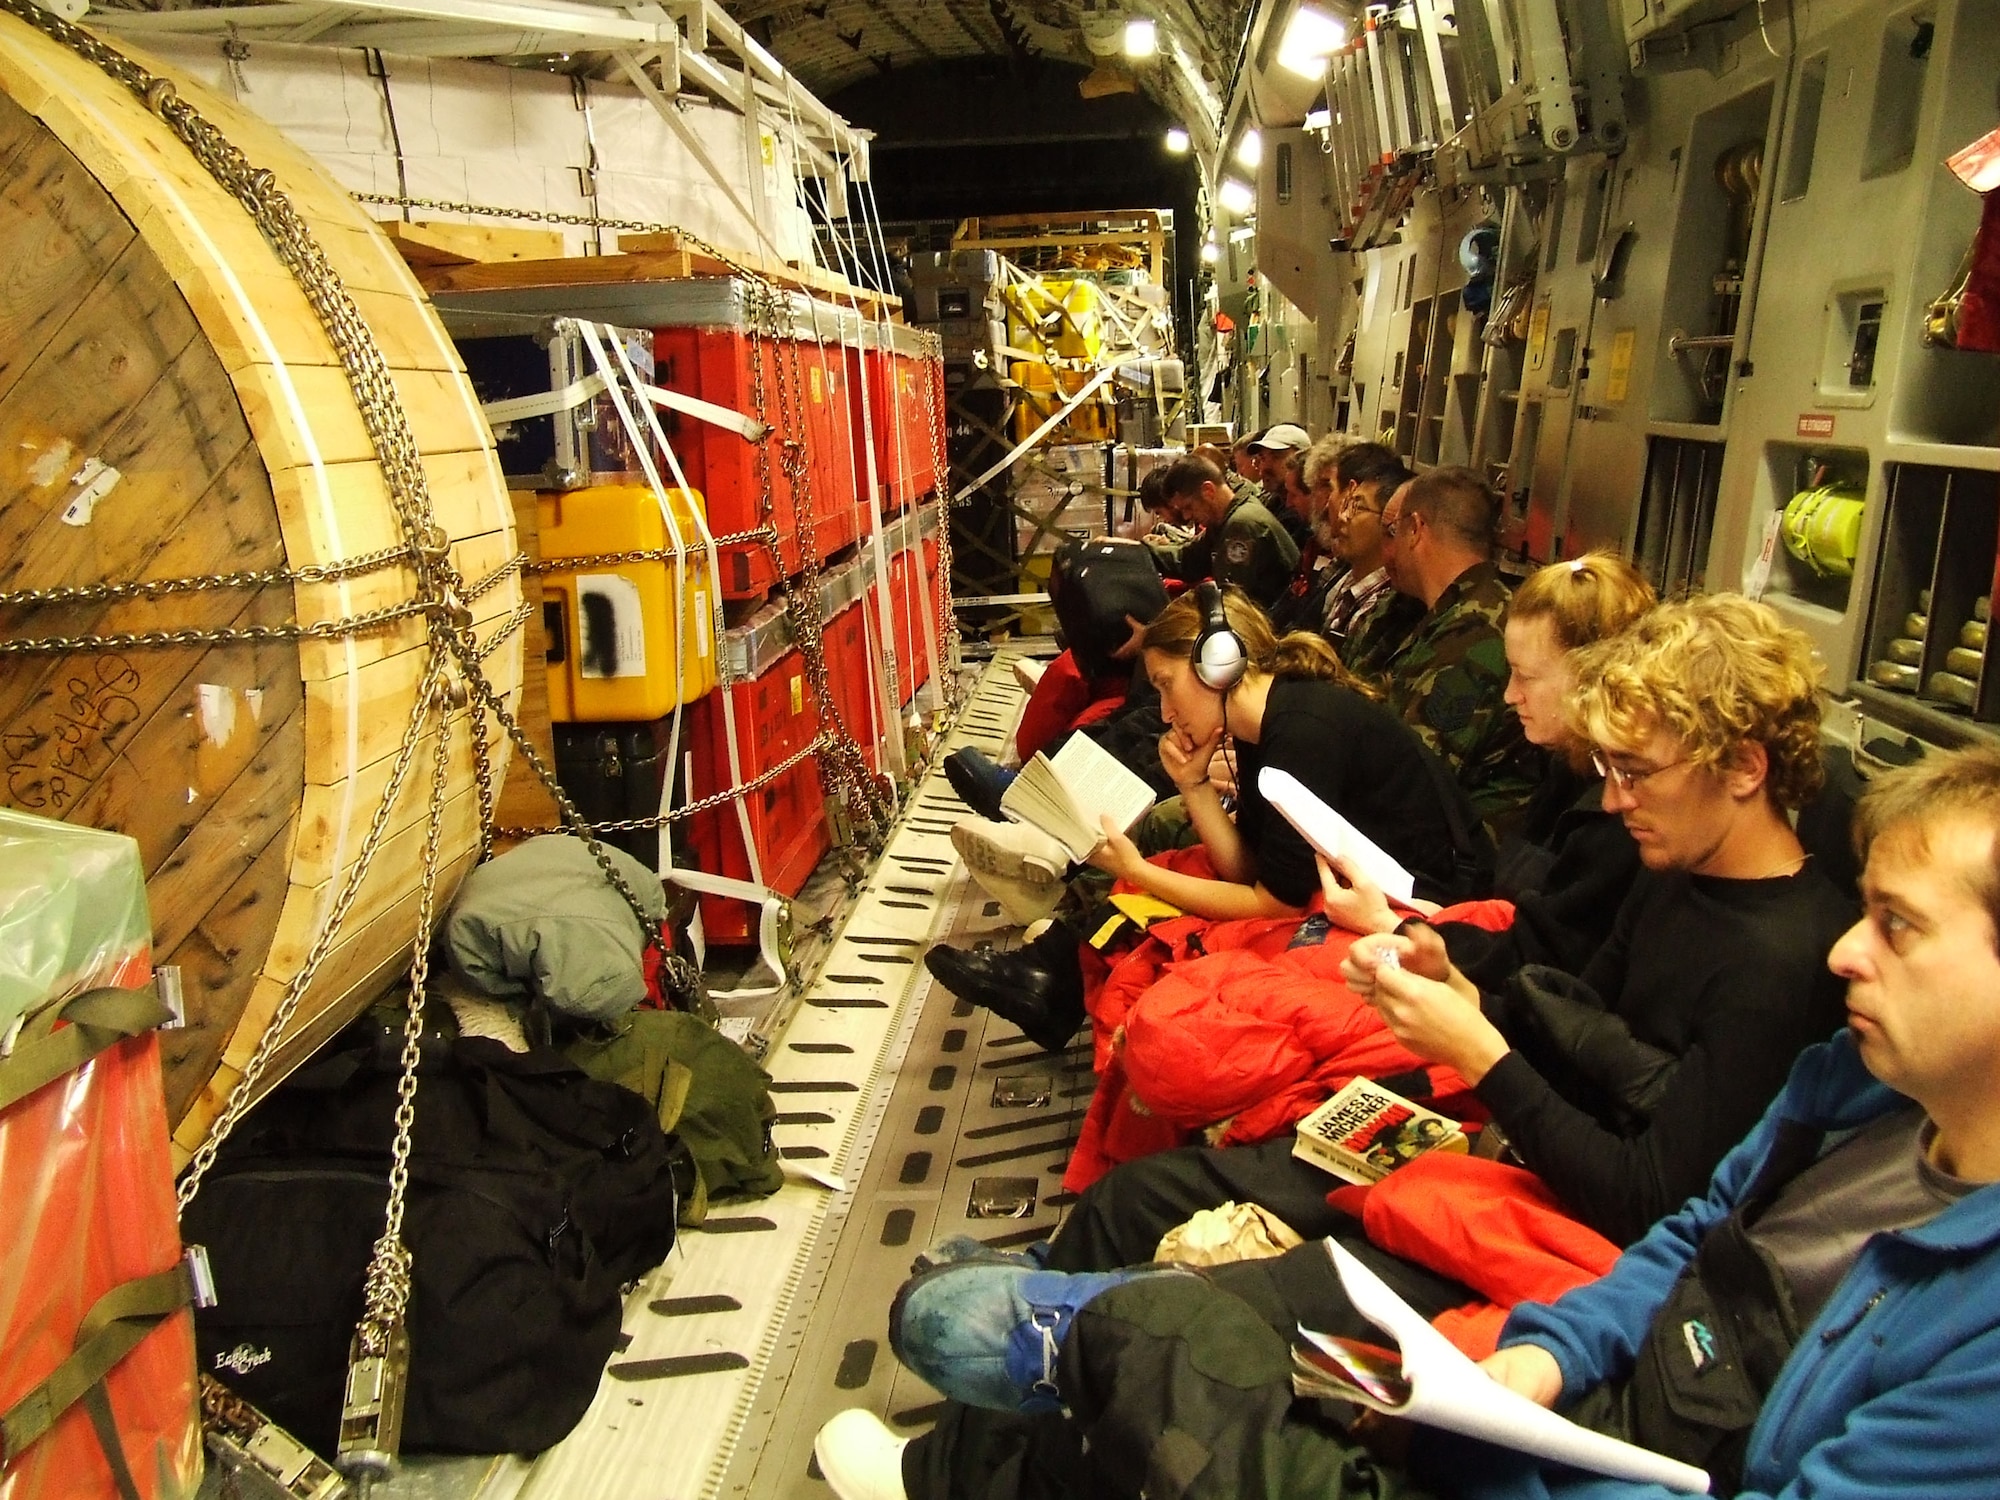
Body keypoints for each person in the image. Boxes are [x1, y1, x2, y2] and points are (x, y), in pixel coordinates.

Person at [814, 742, 2000, 1500]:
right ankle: (971, 1451)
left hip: (1612, 1432)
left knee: (1133, 1353)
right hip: (1585, 1372)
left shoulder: (1977, 1335)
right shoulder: (1845, 1095)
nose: (1851, 948)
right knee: (1144, 1323)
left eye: (1896, 926)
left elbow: (1645, 1194)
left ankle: (1016, 1395)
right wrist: (1543, 1362)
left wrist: (1482, 1053)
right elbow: (1689, 1239)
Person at [1028, 593, 1853, 1268]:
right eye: (1608, 773)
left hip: (1559, 1207)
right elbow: (1573, 1015)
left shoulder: (1777, 968)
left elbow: (1645, 1198)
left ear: (1746, 767)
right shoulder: (1678, 879)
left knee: (1152, 1199)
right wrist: (1454, 983)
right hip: (1517, 1137)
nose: (1610, 801)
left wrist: (1478, 1052)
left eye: (1634, 774)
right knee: (1137, 1196)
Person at [923, 586, 1478, 1050]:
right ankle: (1052, 982)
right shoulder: (1271, 722)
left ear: (1220, 665)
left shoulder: (1303, 732)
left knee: (1166, 882)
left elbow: (1270, 902)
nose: (1164, 711)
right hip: (1362, 893)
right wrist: (1192, 786)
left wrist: (1139, 871)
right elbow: (1247, 869)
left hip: (1422, 911)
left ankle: (1054, 984)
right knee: (1180, 863)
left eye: (1166, 684)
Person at [1323, 550, 1654, 987]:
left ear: (1592, 680)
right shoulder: (1568, 767)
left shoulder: (1622, 819)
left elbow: (1537, 963)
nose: (1510, 696)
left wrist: (1389, 926)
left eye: (1526, 677)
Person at [1375, 467, 1541, 832]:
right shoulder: (1455, 612)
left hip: (1462, 855)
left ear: (1416, 529)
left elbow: (1410, 773)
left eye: (1394, 531)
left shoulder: (1474, 630)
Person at [1156, 453, 1299, 611]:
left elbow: (1234, 605)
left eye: (1188, 507)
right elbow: (1187, 560)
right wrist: (1140, 550)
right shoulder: (1225, 519)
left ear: (1208, 491)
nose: (1186, 516)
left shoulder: (1242, 525)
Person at [1320, 446, 1418, 670]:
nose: (1343, 517)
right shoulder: (1344, 577)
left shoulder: (1391, 606)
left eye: (1358, 507)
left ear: (1390, 522)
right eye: (1348, 504)